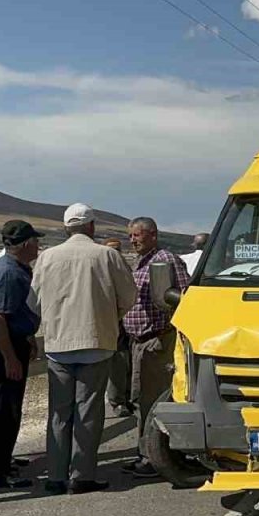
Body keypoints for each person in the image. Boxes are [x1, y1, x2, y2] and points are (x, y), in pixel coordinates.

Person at [32, 204, 136, 495]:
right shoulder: (107, 256)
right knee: (88, 411)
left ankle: (55, 476)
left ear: (67, 227)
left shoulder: (47, 257)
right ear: (91, 226)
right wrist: (109, 315)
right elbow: (129, 297)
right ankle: (82, 476)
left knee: (59, 412)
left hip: (58, 344)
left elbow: (34, 301)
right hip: (96, 341)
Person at [0, 221, 43, 489]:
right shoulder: (6, 273)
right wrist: (10, 357)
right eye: (35, 241)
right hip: (6, 345)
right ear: (25, 243)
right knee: (2, 410)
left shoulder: (16, 269)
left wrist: (28, 337)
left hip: (14, 341)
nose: (38, 245)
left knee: (4, 408)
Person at [123, 217, 189, 478]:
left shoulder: (166, 260)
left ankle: (154, 457)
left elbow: (185, 296)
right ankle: (145, 453)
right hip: (138, 341)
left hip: (157, 340)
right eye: (130, 236)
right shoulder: (140, 262)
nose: (133, 240)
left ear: (152, 234)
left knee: (152, 400)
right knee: (140, 399)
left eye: (137, 235)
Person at [103, 237, 135, 418]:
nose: (115, 253)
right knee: (115, 364)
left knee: (125, 363)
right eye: (111, 249)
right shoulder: (101, 270)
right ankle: (117, 401)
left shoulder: (125, 269)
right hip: (111, 323)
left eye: (117, 249)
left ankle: (127, 397)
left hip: (127, 324)